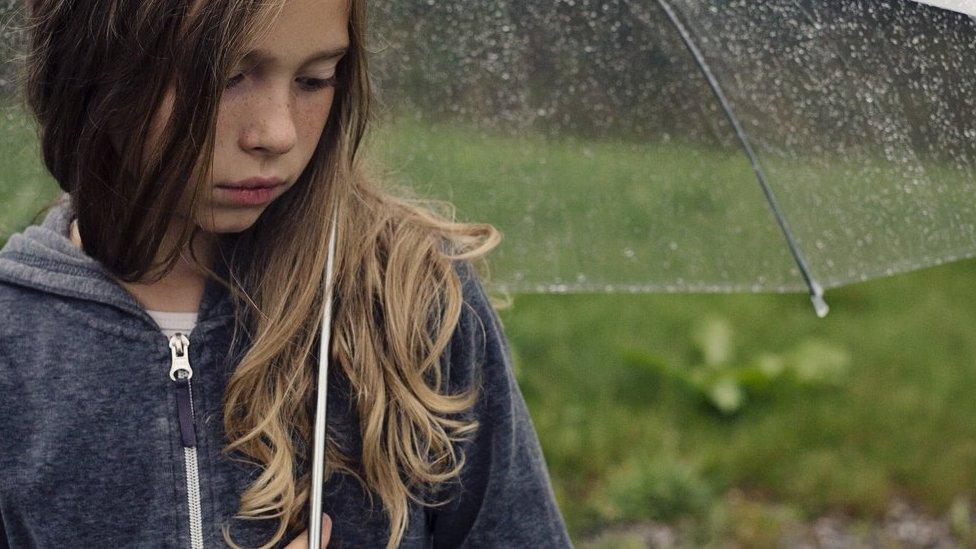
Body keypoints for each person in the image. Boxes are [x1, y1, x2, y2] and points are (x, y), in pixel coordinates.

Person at [0, 0, 572, 547]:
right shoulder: (15, 341)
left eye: (314, 80)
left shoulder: (407, 295)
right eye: (226, 77)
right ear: (94, 70)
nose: (278, 134)